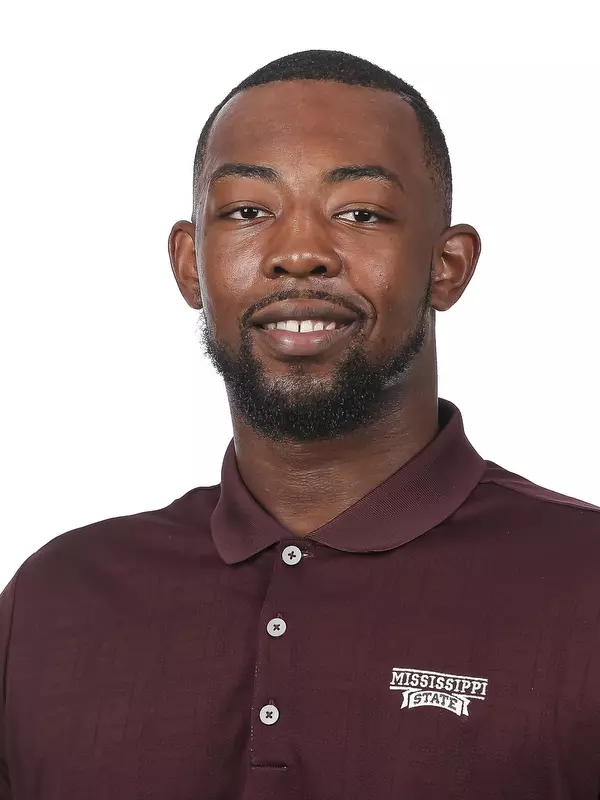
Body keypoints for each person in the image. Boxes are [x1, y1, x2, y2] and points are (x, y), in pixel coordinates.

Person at [1, 49, 598, 800]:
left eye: (360, 213)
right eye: (249, 211)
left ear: (448, 267)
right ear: (191, 264)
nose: (299, 254)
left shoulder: (585, 588)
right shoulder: (54, 602)